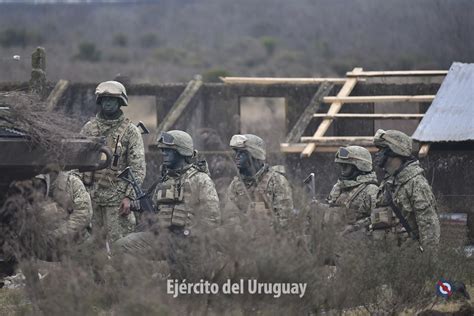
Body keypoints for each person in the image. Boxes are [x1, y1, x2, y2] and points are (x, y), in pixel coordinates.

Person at [114, 130, 220, 259]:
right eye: (163, 150)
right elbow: (155, 209)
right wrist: (137, 206)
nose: (164, 154)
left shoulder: (200, 179)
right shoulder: (164, 180)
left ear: (182, 151)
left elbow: (212, 218)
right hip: (162, 238)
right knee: (121, 246)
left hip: (190, 243)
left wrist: (191, 235)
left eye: (169, 151)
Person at [80, 80, 146, 243]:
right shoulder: (89, 128)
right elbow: (77, 163)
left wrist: (129, 198)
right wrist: (79, 195)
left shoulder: (130, 132)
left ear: (120, 102)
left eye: (112, 99)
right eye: (104, 99)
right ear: (99, 101)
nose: (108, 102)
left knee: (120, 247)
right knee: (91, 247)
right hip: (91, 196)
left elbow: (137, 168)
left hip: (117, 200)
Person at [372, 129, 440, 252]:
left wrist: (429, 264)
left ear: (394, 150)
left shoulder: (416, 183)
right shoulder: (388, 183)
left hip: (409, 260)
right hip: (388, 257)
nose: (377, 154)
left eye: (381, 149)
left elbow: (429, 227)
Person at [226, 134, 293, 232]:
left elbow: (285, 220)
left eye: (242, 153)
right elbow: (229, 217)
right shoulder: (235, 185)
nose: (236, 157)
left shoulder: (277, 181)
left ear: (254, 155)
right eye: (236, 152)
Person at [327, 146, 379, 236]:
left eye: (346, 166)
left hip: (359, 243)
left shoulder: (371, 190)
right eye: (341, 166)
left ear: (360, 166)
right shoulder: (338, 187)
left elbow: (377, 219)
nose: (342, 169)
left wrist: (355, 227)